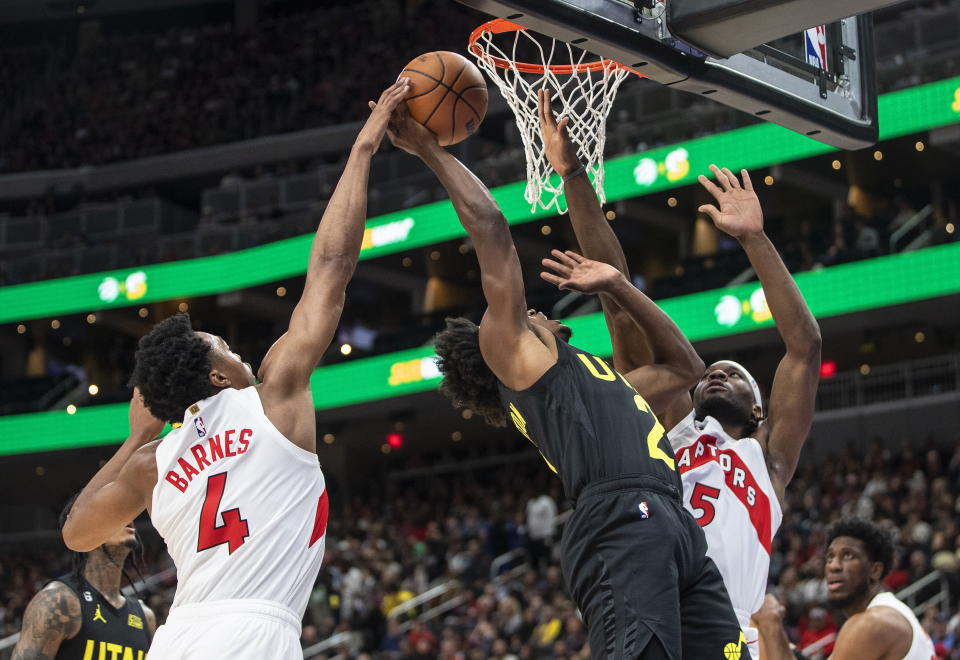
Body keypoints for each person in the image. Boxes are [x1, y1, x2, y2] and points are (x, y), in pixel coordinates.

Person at [59, 78, 412, 659]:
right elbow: (331, 265)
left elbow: (77, 532)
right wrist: (362, 152)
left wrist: (136, 435)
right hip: (254, 636)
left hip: (179, 638)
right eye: (223, 344)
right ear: (218, 376)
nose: (239, 351)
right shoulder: (274, 397)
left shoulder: (154, 461)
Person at [384, 102, 745, 658]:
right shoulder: (522, 363)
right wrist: (432, 150)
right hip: (620, 518)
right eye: (524, 315)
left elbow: (686, 369)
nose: (538, 311)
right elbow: (490, 229)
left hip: (672, 523)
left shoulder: (599, 380)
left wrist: (578, 189)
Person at [537, 89, 821, 658]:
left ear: (759, 409)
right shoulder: (667, 429)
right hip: (656, 604)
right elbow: (614, 290)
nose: (716, 376)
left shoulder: (770, 460)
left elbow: (805, 347)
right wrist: (571, 179)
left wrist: (754, 239)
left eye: (734, 375)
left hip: (730, 631)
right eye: (710, 371)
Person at [752, 518, 936, 660]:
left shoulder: (874, 623)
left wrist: (772, 624)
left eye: (847, 556)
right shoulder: (889, 612)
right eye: (830, 557)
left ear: (875, 570)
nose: (834, 566)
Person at [13, 491, 156, 660]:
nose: (128, 516)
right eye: (115, 510)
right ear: (87, 529)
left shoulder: (146, 616)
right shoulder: (58, 602)